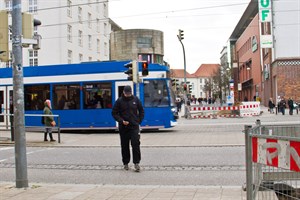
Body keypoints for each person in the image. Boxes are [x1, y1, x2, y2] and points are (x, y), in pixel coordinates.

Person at [111, 85, 144, 172]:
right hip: (124, 127)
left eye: (129, 93)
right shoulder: (119, 101)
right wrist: (121, 121)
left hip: (134, 126)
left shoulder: (136, 100)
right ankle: (125, 163)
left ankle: (136, 163)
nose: (128, 95)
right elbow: (114, 113)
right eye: (126, 93)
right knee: (125, 146)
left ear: (131, 92)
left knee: (135, 144)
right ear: (123, 93)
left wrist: (139, 121)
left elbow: (141, 110)